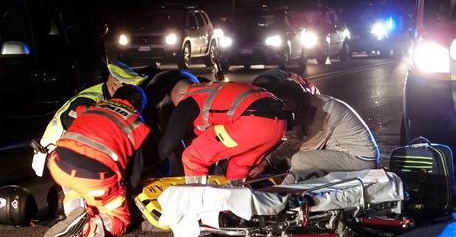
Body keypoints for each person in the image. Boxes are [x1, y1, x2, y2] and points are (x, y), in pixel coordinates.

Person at [43, 84, 150, 237]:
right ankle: (86, 228)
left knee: (75, 190)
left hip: (58, 165)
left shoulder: (93, 107)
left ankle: (74, 214)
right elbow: (136, 173)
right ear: (139, 107)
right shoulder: (138, 124)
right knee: (120, 220)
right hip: (93, 177)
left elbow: (73, 115)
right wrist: (126, 191)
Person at [39, 61, 147, 217]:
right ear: (114, 87)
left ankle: (76, 212)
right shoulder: (91, 100)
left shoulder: (104, 100)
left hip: (66, 154)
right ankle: (78, 214)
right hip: (56, 150)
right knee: (107, 201)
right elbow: (83, 135)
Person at [250, 72, 379, 183]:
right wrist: (267, 163)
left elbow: (306, 146)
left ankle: (285, 195)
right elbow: (296, 138)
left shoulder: (321, 111)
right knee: (295, 159)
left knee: (299, 160)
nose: (283, 107)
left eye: (284, 103)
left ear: (291, 100)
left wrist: (285, 167)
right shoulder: (308, 104)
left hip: (359, 159)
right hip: (345, 152)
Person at [158, 80, 287, 185]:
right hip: (279, 124)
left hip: (252, 121)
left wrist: (148, 163)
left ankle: (199, 208)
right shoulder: (214, 90)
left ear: (181, 96)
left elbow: (168, 143)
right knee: (238, 164)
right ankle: (233, 209)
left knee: (192, 157)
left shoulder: (190, 99)